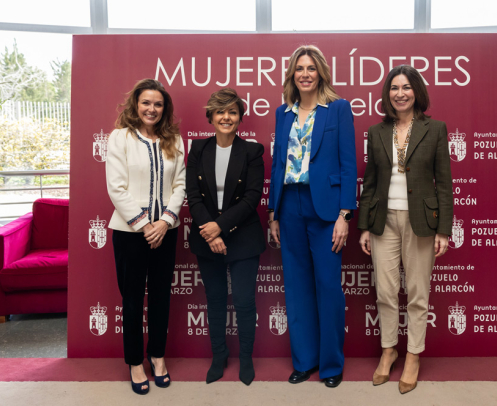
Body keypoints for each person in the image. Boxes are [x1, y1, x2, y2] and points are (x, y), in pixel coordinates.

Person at [357, 65, 453, 394]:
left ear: (417, 92)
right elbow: (369, 183)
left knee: (417, 293)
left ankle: (413, 356)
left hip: (422, 222)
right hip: (383, 220)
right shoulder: (376, 131)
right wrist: (365, 227)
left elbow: (444, 183)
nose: (400, 93)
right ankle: (388, 351)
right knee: (385, 291)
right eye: (395, 88)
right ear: (387, 94)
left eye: (407, 87)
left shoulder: (436, 128)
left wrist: (443, 229)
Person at [268, 45, 357, 388]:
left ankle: (332, 365)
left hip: (326, 210)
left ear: (320, 72)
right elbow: (278, 165)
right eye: (299, 68)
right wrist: (273, 212)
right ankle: (304, 362)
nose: (305, 73)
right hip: (289, 206)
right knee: (297, 288)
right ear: (292, 74)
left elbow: (348, 165)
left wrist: (344, 215)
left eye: (311, 68)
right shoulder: (283, 113)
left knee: (328, 288)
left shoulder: (338, 109)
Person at [106, 79, 186, 395]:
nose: (151, 109)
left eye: (158, 104)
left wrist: (164, 221)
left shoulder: (175, 140)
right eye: (146, 103)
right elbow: (116, 187)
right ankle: (135, 362)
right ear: (135, 105)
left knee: (161, 298)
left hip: (166, 231)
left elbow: (180, 185)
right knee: (132, 299)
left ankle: (157, 356)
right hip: (129, 233)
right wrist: (144, 225)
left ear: (164, 109)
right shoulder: (120, 138)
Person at [186, 88, 265, 386]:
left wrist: (221, 227)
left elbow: (252, 198)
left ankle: (246, 358)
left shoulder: (252, 151)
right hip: (207, 237)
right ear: (211, 117)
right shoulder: (197, 150)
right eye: (220, 111)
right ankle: (219, 357)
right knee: (215, 300)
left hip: (242, 236)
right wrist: (211, 231)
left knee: (244, 302)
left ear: (240, 117)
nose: (226, 117)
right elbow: (193, 196)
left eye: (232, 111)